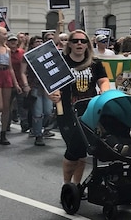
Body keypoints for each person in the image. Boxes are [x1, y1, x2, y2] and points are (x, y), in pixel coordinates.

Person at [48, 30, 110, 186]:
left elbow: (103, 80)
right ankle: (67, 184)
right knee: (73, 149)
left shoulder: (95, 63)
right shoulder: (61, 62)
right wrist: (51, 95)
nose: (79, 44)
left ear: (88, 44)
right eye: (75, 41)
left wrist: (105, 90)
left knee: (82, 151)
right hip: (67, 112)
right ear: (69, 44)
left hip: (89, 112)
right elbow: (50, 85)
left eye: (83, 41)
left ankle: (76, 185)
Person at [21, 35, 54, 145]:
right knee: (37, 112)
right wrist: (25, 85)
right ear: (32, 44)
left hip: (47, 86)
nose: (39, 43)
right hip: (34, 86)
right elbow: (23, 72)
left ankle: (42, 128)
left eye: (41, 41)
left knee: (48, 111)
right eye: (37, 41)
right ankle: (38, 135)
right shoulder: (28, 56)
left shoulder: (47, 53)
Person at [7, 35, 30, 133]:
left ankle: (24, 123)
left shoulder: (22, 53)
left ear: (17, 42)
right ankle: (6, 124)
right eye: (11, 41)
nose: (13, 42)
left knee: (22, 104)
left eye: (14, 41)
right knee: (7, 105)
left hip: (20, 82)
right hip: (8, 83)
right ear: (7, 42)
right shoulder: (5, 53)